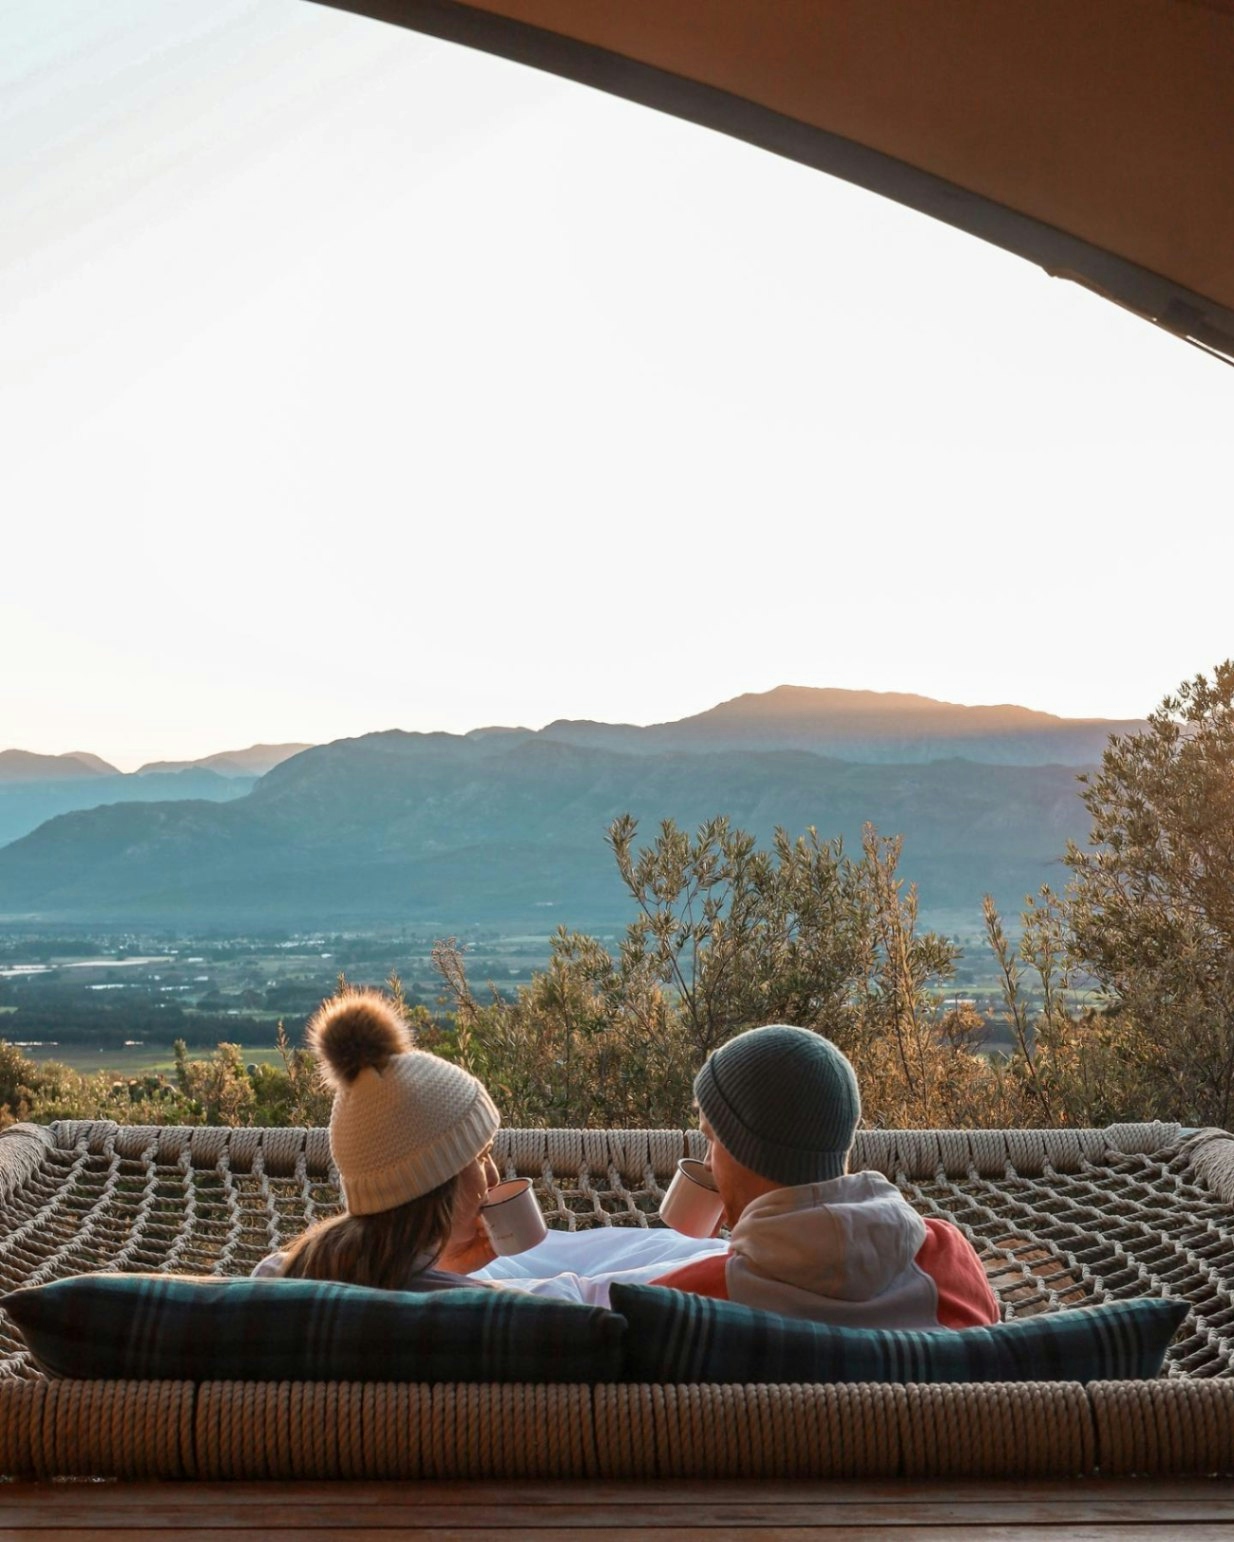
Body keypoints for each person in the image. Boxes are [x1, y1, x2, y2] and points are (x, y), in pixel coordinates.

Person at [649, 1024, 1000, 1329]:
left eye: (711, 1139)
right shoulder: (950, 1262)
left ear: (748, 1152)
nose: (708, 1163)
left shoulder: (682, 1307)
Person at [254, 987, 503, 1289]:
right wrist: (446, 1275)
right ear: (434, 1184)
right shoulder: (479, 1309)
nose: (493, 1175)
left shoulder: (275, 1277)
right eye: (480, 1157)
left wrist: (439, 1268)